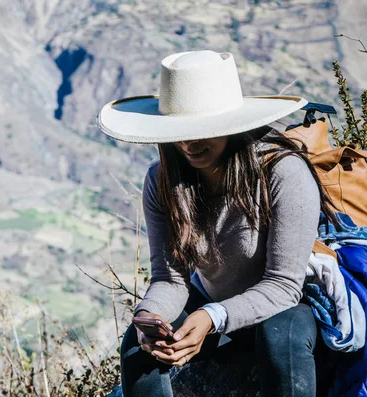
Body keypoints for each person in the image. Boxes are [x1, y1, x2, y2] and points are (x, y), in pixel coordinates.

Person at [96, 50, 338, 396]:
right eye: (179, 131)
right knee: (137, 350)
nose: (189, 143)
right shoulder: (163, 179)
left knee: (280, 339)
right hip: (214, 303)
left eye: (203, 130)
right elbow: (170, 277)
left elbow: (284, 285)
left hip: (288, 305)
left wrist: (212, 317)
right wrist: (150, 319)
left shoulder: (283, 172)